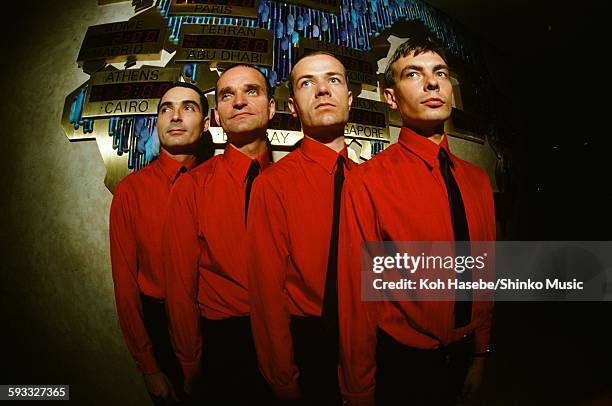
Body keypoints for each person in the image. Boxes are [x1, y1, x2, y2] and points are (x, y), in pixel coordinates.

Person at [337, 31, 496, 406]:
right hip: (402, 363)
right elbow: (357, 299)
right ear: (391, 98)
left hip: (465, 353)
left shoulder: (476, 181)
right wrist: (358, 389)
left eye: (439, 73)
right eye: (413, 74)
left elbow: (485, 270)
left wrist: (480, 353)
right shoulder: (367, 181)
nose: (431, 82)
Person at [162, 64, 275, 405]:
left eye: (251, 91)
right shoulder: (192, 187)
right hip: (226, 344)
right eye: (228, 95)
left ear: (272, 107)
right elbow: (180, 286)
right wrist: (190, 364)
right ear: (216, 117)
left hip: (291, 333)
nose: (239, 101)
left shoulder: (290, 181)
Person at [247, 52, 354, 405]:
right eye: (308, 83)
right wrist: (282, 377)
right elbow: (266, 291)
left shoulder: (372, 180)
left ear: (349, 101)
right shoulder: (272, 184)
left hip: (374, 337)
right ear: (293, 106)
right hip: (310, 345)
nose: (322, 90)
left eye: (333, 80)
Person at [109, 81, 209, 405]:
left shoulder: (220, 185)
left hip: (215, 327)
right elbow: (125, 285)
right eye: (166, 109)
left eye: (188, 108)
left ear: (206, 125)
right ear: (158, 122)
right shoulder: (130, 191)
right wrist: (148, 366)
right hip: (159, 330)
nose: (175, 116)